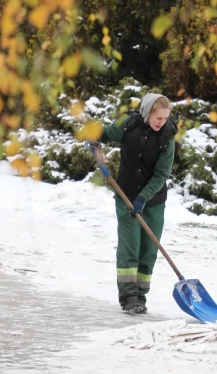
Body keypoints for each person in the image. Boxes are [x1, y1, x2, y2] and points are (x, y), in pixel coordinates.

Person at [89, 93, 177, 314]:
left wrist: (143, 198)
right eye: (158, 118)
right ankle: (128, 298)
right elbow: (104, 133)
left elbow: (160, 175)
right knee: (130, 248)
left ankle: (140, 296)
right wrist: (93, 139)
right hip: (125, 195)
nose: (161, 122)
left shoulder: (167, 137)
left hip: (153, 202)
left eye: (165, 118)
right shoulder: (128, 125)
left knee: (148, 252)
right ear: (147, 113)